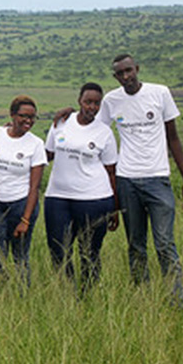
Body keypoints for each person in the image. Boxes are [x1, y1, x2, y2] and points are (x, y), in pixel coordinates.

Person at [99, 54, 183, 304]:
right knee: (136, 245)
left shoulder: (160, 93)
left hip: (158, 178)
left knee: (164, 243)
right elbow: (94, 129)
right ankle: (143, 299)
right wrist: (67, 116)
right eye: (120, 73)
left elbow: (173, 137)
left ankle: (176, 300)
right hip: (127, 180)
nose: (126, 76)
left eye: (129, 70)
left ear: (137, 68)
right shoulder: (111, 100)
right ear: (115, 77)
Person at [44, 83, 119, 295]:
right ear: (79, 101)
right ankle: (67, 294)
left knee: (89, 252)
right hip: (57, 197)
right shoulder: (61, 123)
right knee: (58, 250)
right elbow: (47, 154)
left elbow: (111, 171)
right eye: (88, 102)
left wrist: (115, 207)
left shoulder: (104, 132)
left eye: (96, 103)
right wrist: (14, 132)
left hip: (95, 198)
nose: (92, 107)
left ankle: (87, 296)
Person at [0, 95, 47, 287]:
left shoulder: (36, 144)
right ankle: (1, 294)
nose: (28, 121)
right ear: (12, 115)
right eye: (23, 116)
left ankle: (22, 296)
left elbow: (35, 187)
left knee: (20, 256)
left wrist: (25, 220)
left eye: (32, 117)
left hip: (21, 204)